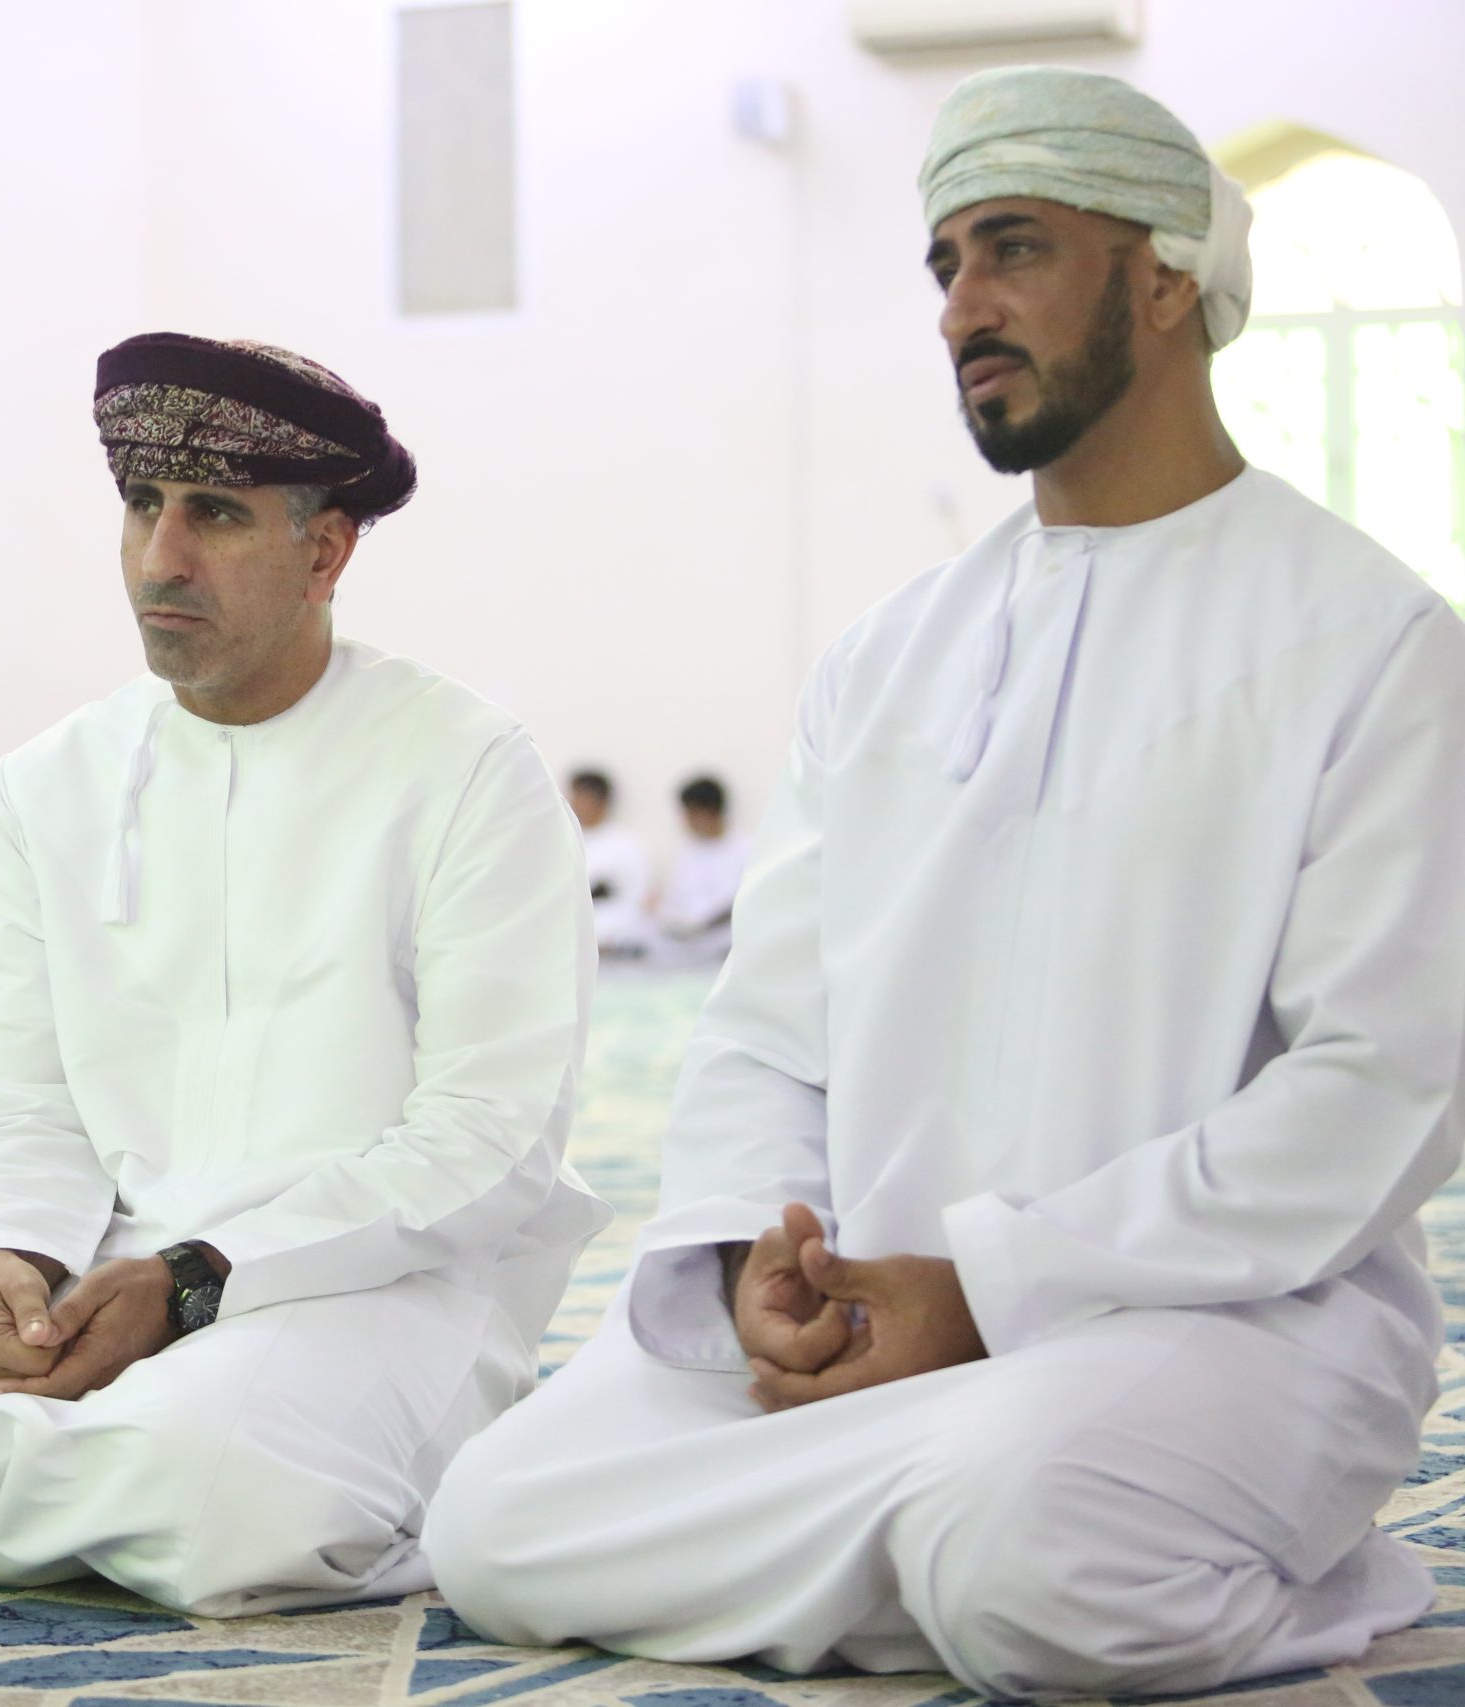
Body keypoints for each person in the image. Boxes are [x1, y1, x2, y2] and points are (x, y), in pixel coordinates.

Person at [427, 66, 1465, 1699]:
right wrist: (762, 1257)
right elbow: (767, 1030)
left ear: (1167, 275)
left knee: (1026, 1544)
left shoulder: (1374, 643)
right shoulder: (886, 659)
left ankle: (1079, 1557)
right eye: (944, 263)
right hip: (873, 1323)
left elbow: (1379, 1086)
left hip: (1238, 1318)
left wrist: (992, 1289)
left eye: (1014, 249)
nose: (961, 308)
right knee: (496, 1518)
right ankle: (956, 1554)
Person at [0, 332, 606, 1614]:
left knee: (208, 1499)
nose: (160, 559)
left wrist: (193, 1283)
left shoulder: (466, 768)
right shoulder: (49, 784)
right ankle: (84, 1467)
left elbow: (488, 1141)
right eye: (142, 506)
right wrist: (9, 1258)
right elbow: (15, 1104)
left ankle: (72, 1470)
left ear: (326, 551)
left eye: (215, 515)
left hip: (372, 1282)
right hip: (100, 1272)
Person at [649, 775, 748, 966]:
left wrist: (704, 924)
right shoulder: (686, 852)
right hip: (687, 942)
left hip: (727, 943)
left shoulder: (745, 849)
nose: (685, 821)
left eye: (689, 814)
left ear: (708, 812)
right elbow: (675, 899)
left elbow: (740, 901)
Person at [568, 769, 651, 958]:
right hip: (572, 946)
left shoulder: (627, 845)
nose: (576, 804)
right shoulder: (566, 841)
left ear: (601, 800)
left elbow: (638, 898)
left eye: (583, 798)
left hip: (616, 944)